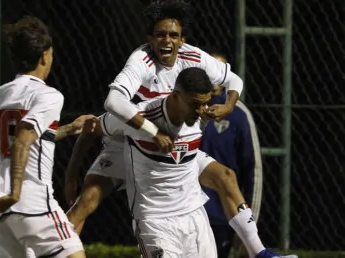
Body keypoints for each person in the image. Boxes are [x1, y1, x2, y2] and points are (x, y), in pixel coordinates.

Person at [65, 0, 242, 232]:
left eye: (173, 35)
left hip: (172, 148)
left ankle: (258, 250)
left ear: (182, 39)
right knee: (86, 203)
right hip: (132, 141)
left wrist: (229, 106)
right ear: (150, 38)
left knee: (226, 176)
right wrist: (71, 172)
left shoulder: (194, 57)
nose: (166, 41)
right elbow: (110, 106)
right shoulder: (141, 60)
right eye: (160, 35)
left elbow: (233, 79)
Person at [83, 67, 218, 257]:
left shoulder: (200, 117)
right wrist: (71, 172)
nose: (200, 110)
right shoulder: (138, 117)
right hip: (155, 219)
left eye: (204, 104)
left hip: (194, 213)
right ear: (176, 95)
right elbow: (92, 126)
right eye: (195, 104)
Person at [0, 16, 90, 258]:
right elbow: (23, 138)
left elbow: (18, 138)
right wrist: (16, 193)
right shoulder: (49, 95)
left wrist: (69, 128)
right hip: (31, 202)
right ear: (44, 55)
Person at [201, 53, 263, 258]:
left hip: (222, 217)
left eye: (220, 70)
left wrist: (249, 224)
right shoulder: (184, 108)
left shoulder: (238, 114)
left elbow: (252, 170)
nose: (214, 77)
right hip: (185, 211)